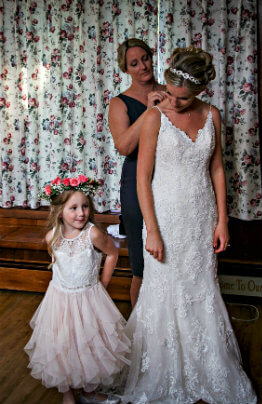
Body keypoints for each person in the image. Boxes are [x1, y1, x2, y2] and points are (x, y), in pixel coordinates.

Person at [122, 47, 257, 403]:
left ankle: (205, 369)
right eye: (172, 94)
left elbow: (216, 169)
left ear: (198, 92)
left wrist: (222, 221)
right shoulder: (154, 117)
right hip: (163, 218)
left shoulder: (212, 115)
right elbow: (142, 178)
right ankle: (163, 370)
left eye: (184, 98)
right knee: (164, 291)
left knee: (201, 290)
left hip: (200, 217)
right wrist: (151, 229)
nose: (176, 103)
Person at [24, 175, 131, 404]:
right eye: (73, 208)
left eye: (84, 206)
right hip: (60, 301)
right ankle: (67, 392)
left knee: (89, 345)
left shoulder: (91, 233)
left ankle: (89, 390)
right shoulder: (51, 237)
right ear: (59, 210)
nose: (81, 213)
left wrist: (102, 284)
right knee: (62, 344)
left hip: (88, 300)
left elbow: (112, 253)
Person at [108, 38, 166, 307]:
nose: (143, 66)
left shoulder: (171, 93)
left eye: (145, 58)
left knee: (170, 255)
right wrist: (150, 110)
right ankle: (140, 336)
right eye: (135, 63)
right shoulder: (119, 104)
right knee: (140, 266)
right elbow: (125, 146)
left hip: (170, 177)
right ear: (126, 69)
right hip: (135, 182)